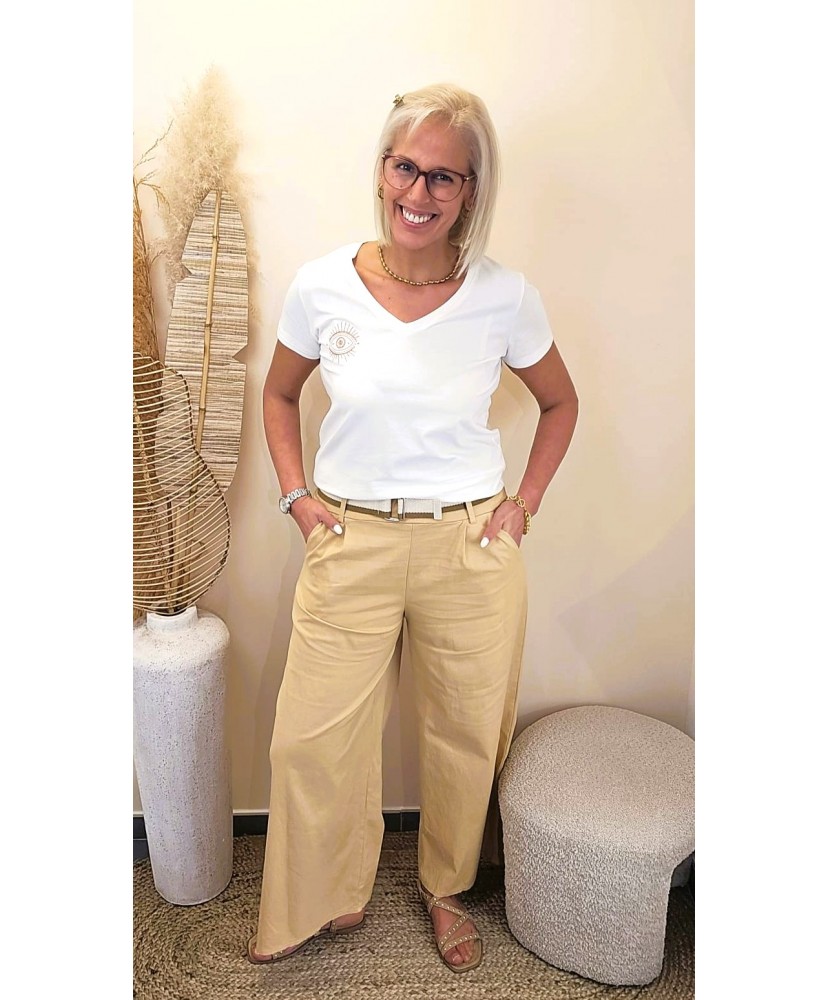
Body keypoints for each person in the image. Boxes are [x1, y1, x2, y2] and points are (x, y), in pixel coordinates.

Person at [248, 83, 578, 974]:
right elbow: (279, 394)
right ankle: (321, 893)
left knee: (465, 736)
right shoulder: (322, 284)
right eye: (406, 167)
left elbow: (560, 403)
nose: (419, 192)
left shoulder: (504, 296)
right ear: (381, 170)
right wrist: (296, 497)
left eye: (444, 177)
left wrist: (522, 505)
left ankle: (446, 887)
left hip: (468, 547)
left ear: (471, 192)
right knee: (311, 738)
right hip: (348, 540)